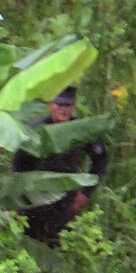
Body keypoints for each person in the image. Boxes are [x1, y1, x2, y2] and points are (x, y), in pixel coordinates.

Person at [12, 85, 107, 247]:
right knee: (28, 245)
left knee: (59, 245)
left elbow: (101, 159)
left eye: (67, 105)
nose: (63, 110)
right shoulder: (35, 129)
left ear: (74, 106)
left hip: (66, 200)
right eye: (59, 104)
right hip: (35, 198)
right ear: (50, 105)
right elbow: (18, 164)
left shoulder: (82, 131)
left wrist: (85, 194)